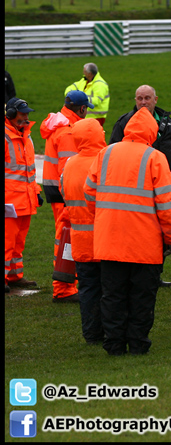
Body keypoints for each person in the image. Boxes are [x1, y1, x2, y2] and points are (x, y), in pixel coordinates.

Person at [84, 108, 171, 355]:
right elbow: (167, 205)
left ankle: (114, 344)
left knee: (112, 296)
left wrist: (106, 217)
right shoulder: (155, 157)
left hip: (110, 241)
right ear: (151, 132)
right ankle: (138, 344)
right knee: (142, 297)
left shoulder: (105, 153)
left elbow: (89, 193)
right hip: (144, 244)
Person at [110, 84, 171, 288]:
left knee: (159, 231)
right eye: (139, 98)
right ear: (135, 100)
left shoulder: (168, 124)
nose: (143, 102)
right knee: (140, 232)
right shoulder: (124, 122)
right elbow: (113, 151)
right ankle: (137, 273)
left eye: (147, 98)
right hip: (136, 190)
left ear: (156, 100)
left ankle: (154, 274)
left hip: (163, 186)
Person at [41, 90, 94, 303]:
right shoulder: (69, 132)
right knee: (67, 241)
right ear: (81, 109)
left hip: (56, 192)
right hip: (66, 195)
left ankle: (66, 285)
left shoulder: (58, 125)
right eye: (86, 109)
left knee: (65, 239)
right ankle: (63, 288)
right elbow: (69, 170)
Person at [60, 118, 106, 344]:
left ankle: (91, 333)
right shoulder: (106, 161)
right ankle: (110, 331)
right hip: (106, 239)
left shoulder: (69, 164)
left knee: (88, 289)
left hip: (80, 239)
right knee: (110, 288)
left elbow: (63, 192)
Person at [5, 98, 41, 292]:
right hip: (9, 202)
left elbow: (29, 171)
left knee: (18, 242)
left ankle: (14, 276)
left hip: (25, 200)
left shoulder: (27, 136)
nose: (26, 117)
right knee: (6, 241)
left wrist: (36, 192)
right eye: (22, 114)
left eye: (27, 113)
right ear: (10, 115)